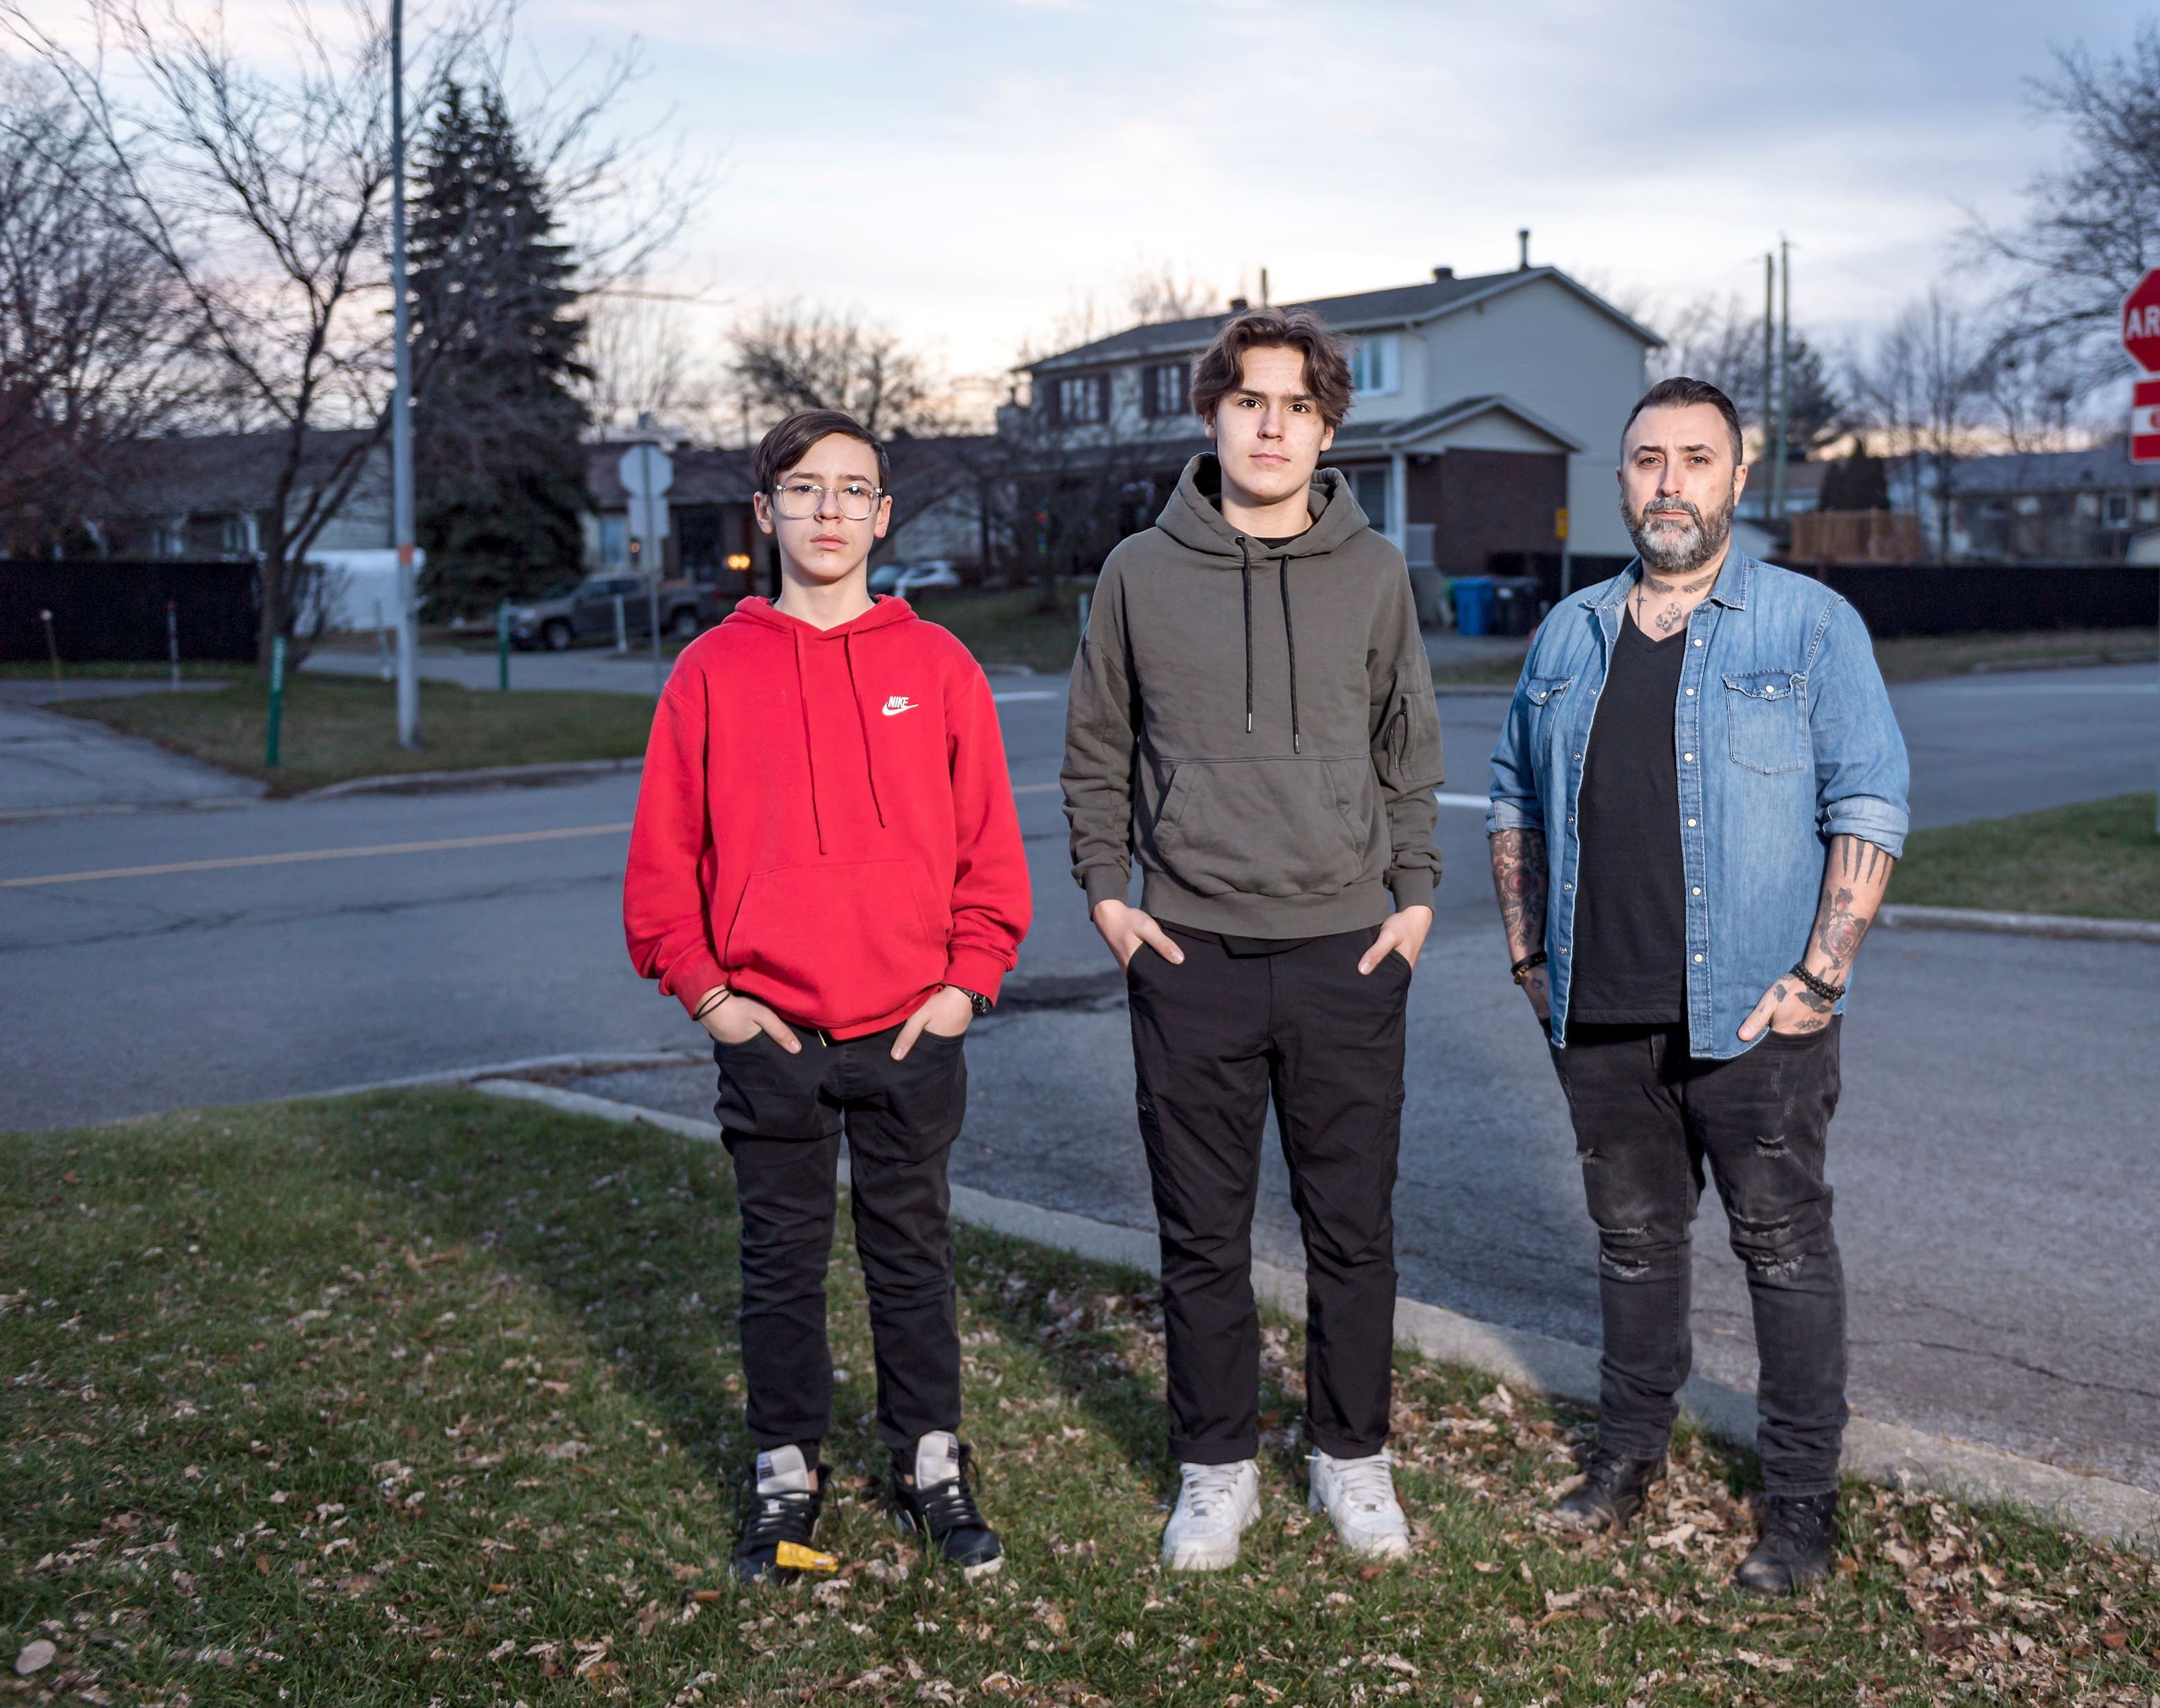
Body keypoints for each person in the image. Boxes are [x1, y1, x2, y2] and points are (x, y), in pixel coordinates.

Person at [1484, 376, 1909, 1595]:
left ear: (1735, 476)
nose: (1670, 481)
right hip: (1600, 1014)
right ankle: (1627, 1462)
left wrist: (1820, 977)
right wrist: (1529, 956)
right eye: (1647, 460)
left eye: (1696, 459)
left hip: (1758, 1016)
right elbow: (1514, 796)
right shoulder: (1569, 634)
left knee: (1783, 1253)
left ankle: (1797, 1510)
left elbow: (1868, 799)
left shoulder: (1808, 626)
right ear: (1621, 480)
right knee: (1632, 1249)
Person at [1061, 307, 1444, 1572]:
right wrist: (1110, 898)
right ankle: (1216, 1469)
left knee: (1353, 1227)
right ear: (1213, 418)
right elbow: (1098, 751)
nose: (1270, 424)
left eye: (1295, 404)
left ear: (1327, 425)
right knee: (1202, 1230)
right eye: (1248, 402)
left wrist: (1415, 895)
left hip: (1347, 949)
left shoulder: (1376, 571)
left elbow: (1410, 751)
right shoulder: (1136, 571)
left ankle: (1352, 1458)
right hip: (1188, 953)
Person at [624, 408, 1031, 1583]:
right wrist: (713, 1000)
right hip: (771, 1031)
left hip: (912, 1025)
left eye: (854, 491)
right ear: (765, 515)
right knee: (781, 1262)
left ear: (885, 515)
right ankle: (785, 1473)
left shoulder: (937, 665)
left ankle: (929, 1461)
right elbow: (663, 869)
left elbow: (989, 856)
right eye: (804, 490)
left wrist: (964, 989)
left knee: (913, 1254)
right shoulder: (710, 672)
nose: (829, 511)